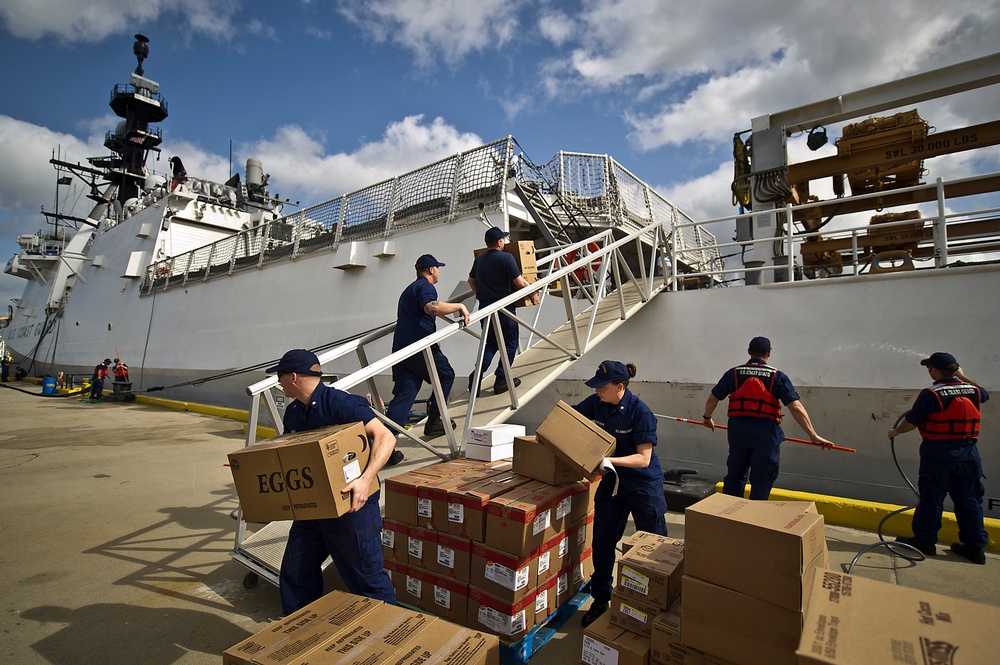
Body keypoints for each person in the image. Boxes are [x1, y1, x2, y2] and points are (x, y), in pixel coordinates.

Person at [267, 349, 398, 613]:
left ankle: (389, 638)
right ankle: (299, 632)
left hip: (352, 507)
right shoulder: (293, 413)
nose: (278, 383)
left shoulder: (341, 403)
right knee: (296, 573)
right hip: (313, 510)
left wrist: (365, 480)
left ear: (292, 377)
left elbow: (386, 438)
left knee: (366, 580)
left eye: (279, 377)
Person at [574, 360, 668, 628]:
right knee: (603, 543)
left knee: (653, 546)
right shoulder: (597, 404)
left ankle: (657, 603)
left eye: (601, 387)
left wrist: (610, 461)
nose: (597, 392)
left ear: (620, 387)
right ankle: (601, 599)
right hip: (612, 485)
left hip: (643, 486)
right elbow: (570, 419)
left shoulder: (641, 412)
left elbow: (643, 459)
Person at [888, 352, 990, 564]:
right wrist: (963, 377)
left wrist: (896, 432)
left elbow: (913, 421)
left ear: (934, 370)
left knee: (931, 500)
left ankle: (925, 541)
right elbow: (984, 393)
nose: (929, 371)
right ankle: (975, 547)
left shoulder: (931, 394)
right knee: (970, 501)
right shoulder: (973, 391)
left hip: (938, 457)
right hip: (969, 457)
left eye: (929, 368)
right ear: (956, 370)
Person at [702, 336, 832, 500]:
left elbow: (713, 398)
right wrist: (812, 434)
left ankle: (731, 519)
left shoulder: (733, 373)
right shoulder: (777, 376)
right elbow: (796, 407)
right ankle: (754, 520)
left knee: (735, 477)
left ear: (749, 352)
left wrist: (707, 417)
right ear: (769, 353)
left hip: (738, 435)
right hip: (765, 437)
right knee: (762, 481)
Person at [386, 254, 470, 449]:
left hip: (401, 350)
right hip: (420, 348)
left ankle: (385, 444)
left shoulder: (408, 290)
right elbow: (431, 307)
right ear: (432, 269)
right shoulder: (425, 287)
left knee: (405, 396)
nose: (439, 272)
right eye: (438, 268)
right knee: (446, 375)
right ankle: (434, 420)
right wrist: (459, 306)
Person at [467, 227, 539, 395]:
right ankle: (501, 379)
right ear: (499, 242)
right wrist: (534, 293)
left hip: (485, 309)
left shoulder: (480, 260)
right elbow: (520, 283)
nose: (505, 242)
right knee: (511, 342)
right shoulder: (506, 258)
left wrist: (480, 294)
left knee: (491, 343)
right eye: (504, 240)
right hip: (503, 309)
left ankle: (476, 375)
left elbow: (471, 280)